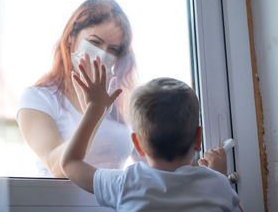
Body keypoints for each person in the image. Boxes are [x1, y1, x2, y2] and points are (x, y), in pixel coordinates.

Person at [61, 63, 241, 211]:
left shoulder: (127, 183)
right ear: (198, 138)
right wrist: (219, 177)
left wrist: (95, 108)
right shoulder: (216, 185)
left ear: (137, 144)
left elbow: (70, 163)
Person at [16, 0, 138, 177]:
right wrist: (95, 112)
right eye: (95, 43)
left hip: (115, 205)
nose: (102, 54)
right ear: (71, 39)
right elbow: (57, 167)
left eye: (113, 49)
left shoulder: (120, 100)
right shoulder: (38, 98)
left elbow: (154, 160)